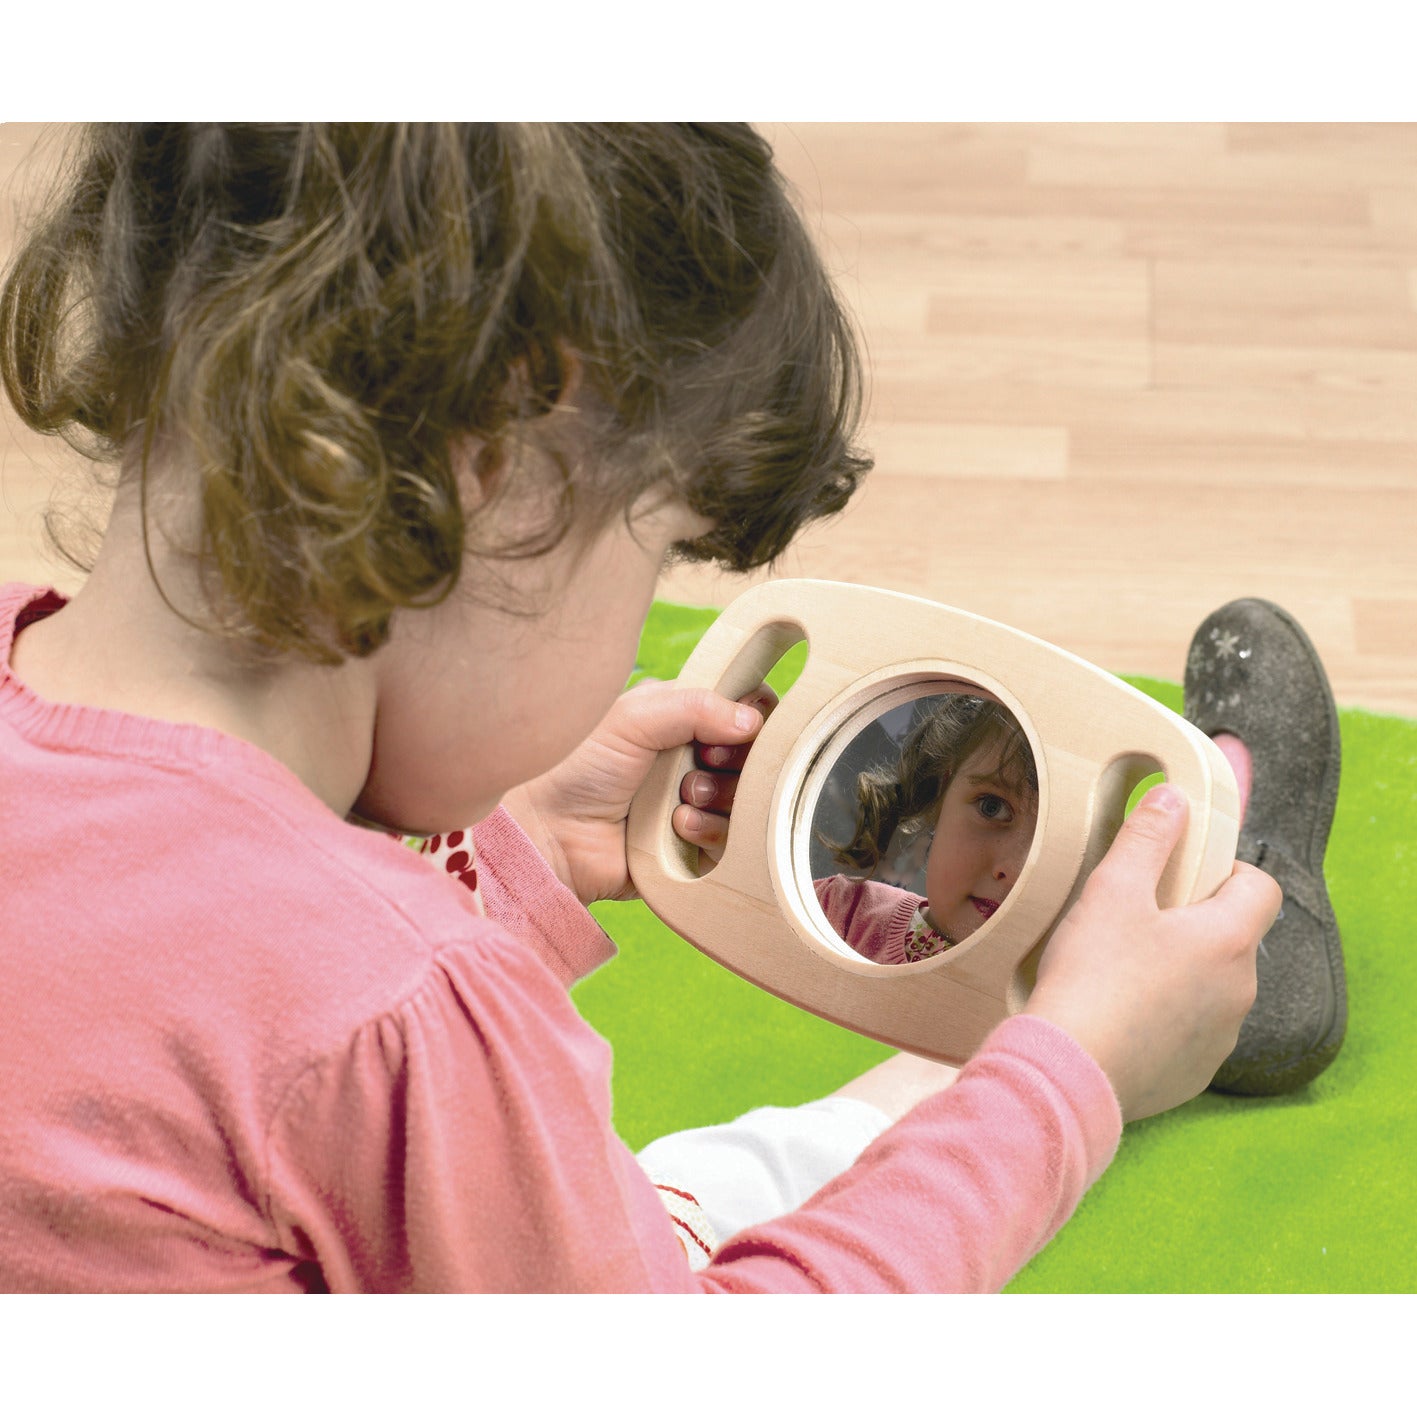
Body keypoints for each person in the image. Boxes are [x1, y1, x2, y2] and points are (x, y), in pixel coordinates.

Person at [0, 123, 1281, 1293]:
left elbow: (214, 1002)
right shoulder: (403, 1011)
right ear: (493, 466)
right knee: (783, 1173)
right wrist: (1070, 1082)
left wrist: (509, 861)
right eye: (659, 549)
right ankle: (1127, 992)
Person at [813, 694, 1040, 965]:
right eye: (992, 807)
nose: (1014, 870)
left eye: (1052, 843)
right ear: (943, 789)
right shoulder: (838, 913)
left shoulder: (1052, 991)